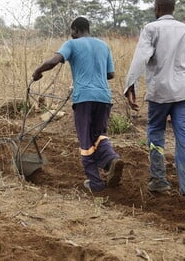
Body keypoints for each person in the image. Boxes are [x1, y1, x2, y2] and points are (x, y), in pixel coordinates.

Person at [124, 0, 185, 210]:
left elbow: (141, 58)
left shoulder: (151, 29)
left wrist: (130, 85)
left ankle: (159, 180)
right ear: (174, 8)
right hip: (184, 93)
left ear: (157, 8)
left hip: (160, 94)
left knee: (156, 134)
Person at [32, 16, 123, 192]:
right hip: (104, 97)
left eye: (71, 31)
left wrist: (37, 72)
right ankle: (112, 160)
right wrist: (93, 76)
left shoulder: (72, 44)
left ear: (75, 29)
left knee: (86, 140)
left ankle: (95, 183)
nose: (71, 34)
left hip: (84, 98)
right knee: (99, 135)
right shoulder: (103, 45)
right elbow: (110, 74)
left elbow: (53, 61)